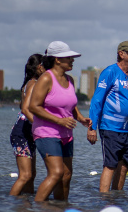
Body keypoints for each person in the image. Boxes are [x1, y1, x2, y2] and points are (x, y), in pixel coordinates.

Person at [30, 42, 91, 202]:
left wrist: (81, 118)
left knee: (66, 176)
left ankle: (60, 210)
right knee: (56, 173)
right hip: (46, 133)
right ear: (57, 59)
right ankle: (35, 210)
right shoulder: (45, 78)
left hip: (66, 134)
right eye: (69, 57)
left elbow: (70, 105)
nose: (72, 60)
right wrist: (59, 120)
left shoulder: (69, 79)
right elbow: (33, 107)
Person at [87, 40, 128, 193]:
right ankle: (104, 198)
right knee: (110, 165)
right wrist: (92, 128)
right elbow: (97, 101)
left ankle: (116, 198)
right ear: (121, 54)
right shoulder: (110, 72)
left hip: (126, 130)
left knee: (123, 166)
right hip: (109, 128)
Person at [9, 54, 44, 196]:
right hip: (22, 133)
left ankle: (26, 204)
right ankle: (11, 202)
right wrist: (38, 125)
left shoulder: (29, 82)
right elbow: (24, 108)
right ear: (39, 67)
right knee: (25, 176)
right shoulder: (34, 83)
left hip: (27, 132)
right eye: (45, 65)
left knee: (31, 174)